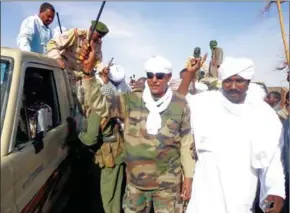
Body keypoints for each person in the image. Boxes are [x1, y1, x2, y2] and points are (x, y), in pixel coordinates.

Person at [81, 48, 197, 212]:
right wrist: (87, 74)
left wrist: (188, 179)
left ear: (169, 77)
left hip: (168, 186)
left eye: (159, 75)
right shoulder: (130, 100)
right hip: (136, 184)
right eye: (150, 75)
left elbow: (186, 143)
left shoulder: (180, 104)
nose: (154, 79)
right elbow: (100, 105)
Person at [180, 57, 285, 213]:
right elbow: (178, 104)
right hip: (205, 194)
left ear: (248, 82)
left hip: (241, 193)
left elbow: (272, 158)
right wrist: (189, 75)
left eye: (239, 81)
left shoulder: (263, 114)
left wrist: (275, 191)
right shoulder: (205, 103)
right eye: (228, 81)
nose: (233, 87)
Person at [78, 79, 124, 213]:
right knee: (115, 194)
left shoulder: (97, 110)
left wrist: (78, 134)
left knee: (107, 196)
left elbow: (90, 139)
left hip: (109, 156)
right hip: (117, 153)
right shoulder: (111, 105)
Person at [46, 20, 109, 115]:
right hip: (63, 73)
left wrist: (102, 69)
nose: (100, 39)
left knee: (80, 105)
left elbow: (97, 60)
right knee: (61, 102)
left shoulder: (97, 44)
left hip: (79, 78)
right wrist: (57, 58)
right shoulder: (76, 34)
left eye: (102, 37)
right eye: (98, 35)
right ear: (91, 30)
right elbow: (52, 43)